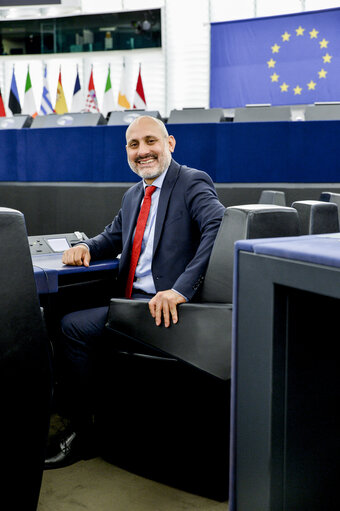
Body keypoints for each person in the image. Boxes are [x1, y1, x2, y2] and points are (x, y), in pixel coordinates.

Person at [45, 115, 225, 469]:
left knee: (72, 327)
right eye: (133, 145)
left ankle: (83, 433)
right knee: (58, 312)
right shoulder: (134, 194)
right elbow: (112, 236)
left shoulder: (191, 182)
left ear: (169, 144)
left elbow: (219, 225)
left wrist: (180, 290)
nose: (143, 151)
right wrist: (87, 248)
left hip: (167, 310)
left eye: (150, 141)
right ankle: (82, 417)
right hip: (133, 304)